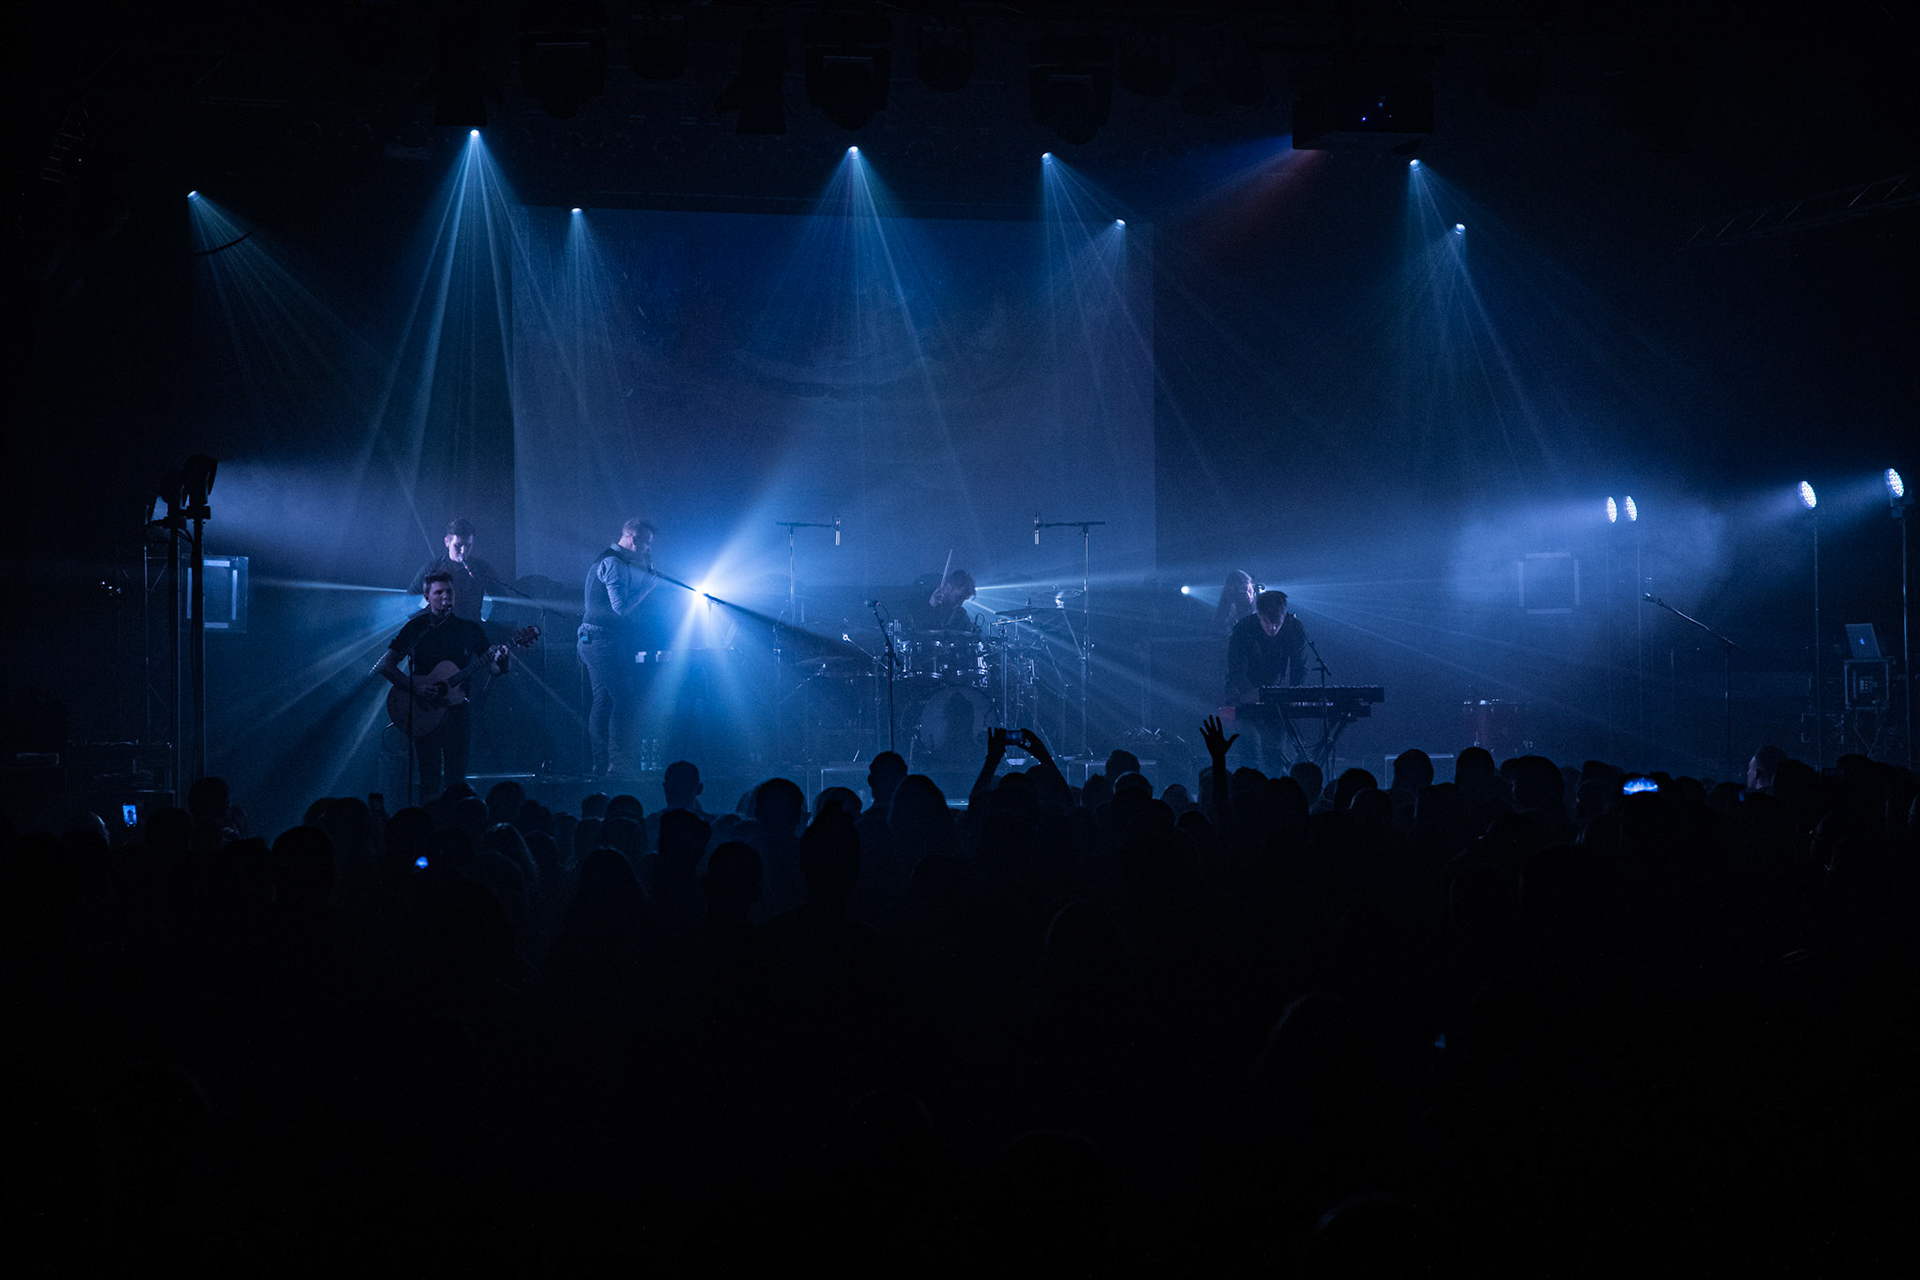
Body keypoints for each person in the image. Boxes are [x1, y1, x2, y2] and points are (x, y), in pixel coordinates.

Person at [376, 572, 511, 803]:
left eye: (449, 591)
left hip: (457, 711)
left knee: (456, 778)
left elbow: (494, 670)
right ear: (428, 596)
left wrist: (504, 659)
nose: (445, 596)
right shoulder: (416, 628)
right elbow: (386, 666)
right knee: (428, 777)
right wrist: (415, 688)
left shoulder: (469, 629)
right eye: (439, 592)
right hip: (423, 710)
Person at [578, 518, 658, 778]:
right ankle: (618, 764)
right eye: (647, 544)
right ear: (634, 539)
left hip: (592, 639)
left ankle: (601, 765)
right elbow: (620, 608)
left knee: (603, 701)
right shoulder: (614, 564)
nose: (648, 550)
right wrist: (646, 588)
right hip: (600, 641)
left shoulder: (609, 559)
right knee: (624, 699)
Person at [409, 519, 508, 626]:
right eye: (458, 546)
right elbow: (408, 601)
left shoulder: (481, 568)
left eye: (468, 546)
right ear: (447, 542)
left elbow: (502, 600)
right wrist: (427, 622)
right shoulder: (432, 568)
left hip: (470, 635)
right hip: (439, 636)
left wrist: (488, 628)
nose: (463, 551)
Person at [1223, 589, 1307, 706]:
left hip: (1272, 684)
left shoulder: (1294, 628)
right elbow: (1236, 669)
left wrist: (1296, 693)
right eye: (1267, 622)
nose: (1272, 628)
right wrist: (1248, 692)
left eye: (1277, 623)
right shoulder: (1243, 629)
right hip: (1240, 689)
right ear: (1259, 615)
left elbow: (1299, 666)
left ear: (1284, 616)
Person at [912, 566, 977, 634]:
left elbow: (970, 634)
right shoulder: (923, 604)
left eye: (963, 600)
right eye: (958, 598)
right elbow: (916, 628)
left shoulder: (961, 614)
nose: (960, 604)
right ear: (948, 588)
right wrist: (930, 606)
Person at [1213, 569, 1257, 635]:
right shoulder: (1226, 613)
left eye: (1250, 590)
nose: (1248, 595)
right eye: (1242, 591)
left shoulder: (1259, 607)